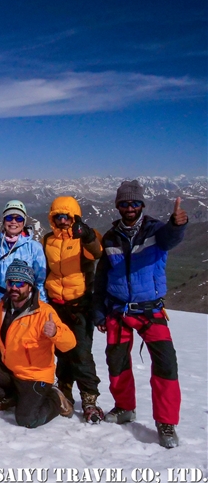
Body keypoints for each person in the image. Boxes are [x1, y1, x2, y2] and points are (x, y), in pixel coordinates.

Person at [93, 180, 188, 448]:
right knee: (117, 361)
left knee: (166, 364)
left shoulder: (156, 230)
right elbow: (102, 277)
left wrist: (177, 224)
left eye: (134, 203)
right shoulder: (111, 237)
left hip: (150, 310)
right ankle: (124, 408)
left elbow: (171, 238)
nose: (130, 207)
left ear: (142, 205)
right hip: (118, 309)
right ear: (118, 206)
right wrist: (99, 312)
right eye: (124, 203)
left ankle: (166, 423)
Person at [0, 260, 76, 429]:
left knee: (27, 420)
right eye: (11, 282)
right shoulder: (2, 308)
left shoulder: (44, 312)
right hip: (11, 370)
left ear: (29, 286)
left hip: (35, 376)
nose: (15, 288)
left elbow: (70, 344)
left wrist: (55, 333)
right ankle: (12, 397)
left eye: (20, 283)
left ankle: (55, 400)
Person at [43, 196, 105, 423]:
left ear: (74, 216)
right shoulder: (47, 240)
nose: (62, 221)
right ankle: (65, 389)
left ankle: (89, 398)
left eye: (66, 216)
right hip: (56, 305)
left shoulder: (85, 236)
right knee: (61, 350)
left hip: (80, 305)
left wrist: (87, 235)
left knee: (81, 352)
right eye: (58, 216)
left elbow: (97, 252)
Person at [0, 200, 47, 304]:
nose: (13, 222)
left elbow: (40, 281)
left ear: (24, 222)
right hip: (2, 301)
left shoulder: (34, 247)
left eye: (19, 218)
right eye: (9, 218)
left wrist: (42, 304)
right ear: (3, 221)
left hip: (26, 303)